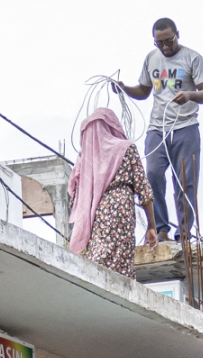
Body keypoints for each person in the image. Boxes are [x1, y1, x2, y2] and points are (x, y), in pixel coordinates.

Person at [116, 18, 203, 244]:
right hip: (157, 128)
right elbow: (144, 90)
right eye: (160, 43)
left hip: (185, 126)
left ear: (177, 34)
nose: (166, 47)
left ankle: (185, 233)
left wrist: (189, 95)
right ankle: (160, 229)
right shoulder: (151, 58)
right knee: (153, 176)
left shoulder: (192, 58)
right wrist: (125, 89)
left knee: (184, 181)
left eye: (169, 41)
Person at [66, 108, 156, 277]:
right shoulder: (126, 148)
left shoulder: (85, 161)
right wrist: (152, 225)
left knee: (99, 261)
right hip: (121, 207)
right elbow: (144, 190)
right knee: (119, 265)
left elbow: (75, 200)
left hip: (96, 212)